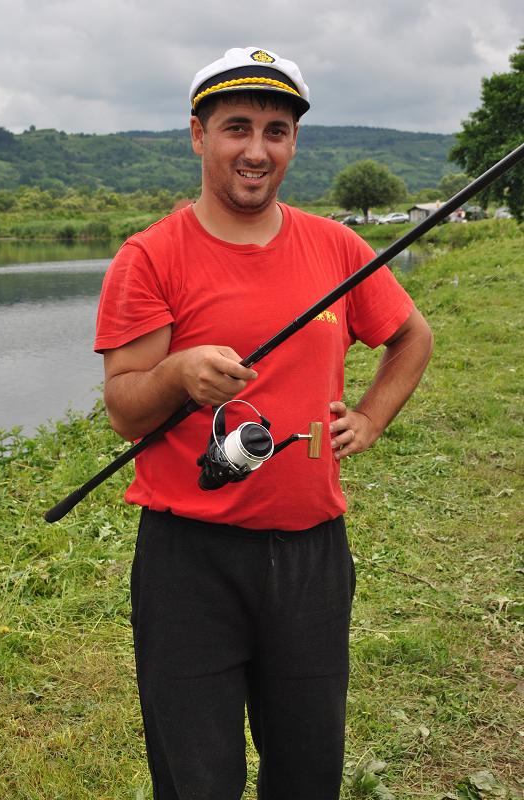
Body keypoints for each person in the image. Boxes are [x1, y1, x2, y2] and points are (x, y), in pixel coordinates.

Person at [94, 46, 433, 800]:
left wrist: (371, 416)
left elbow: (413, 336)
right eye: (237, 127)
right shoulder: (148, 257)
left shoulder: (336, 246)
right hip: (189, 561)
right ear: (199, 136)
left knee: (309, 771)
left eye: (276, 131)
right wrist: (177, 373)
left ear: (293, 142)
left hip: (313, 554)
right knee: (197, 779)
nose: (257, 149)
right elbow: (124, 410)